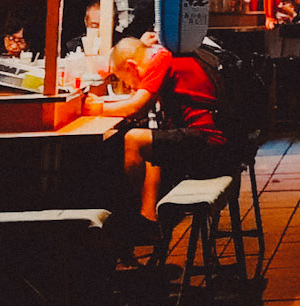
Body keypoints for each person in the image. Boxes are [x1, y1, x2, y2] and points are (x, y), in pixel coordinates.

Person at [85, 37, 238, 230]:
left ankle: (128, 215)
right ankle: (148, 218)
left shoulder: (159, 59)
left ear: (132, 66)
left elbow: (135, 107)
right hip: (222, 143)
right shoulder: (164, 54)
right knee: (152, 141)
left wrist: (95, 109)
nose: (131, 88)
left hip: (212, 147)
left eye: (127, 81)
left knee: (134, 139)